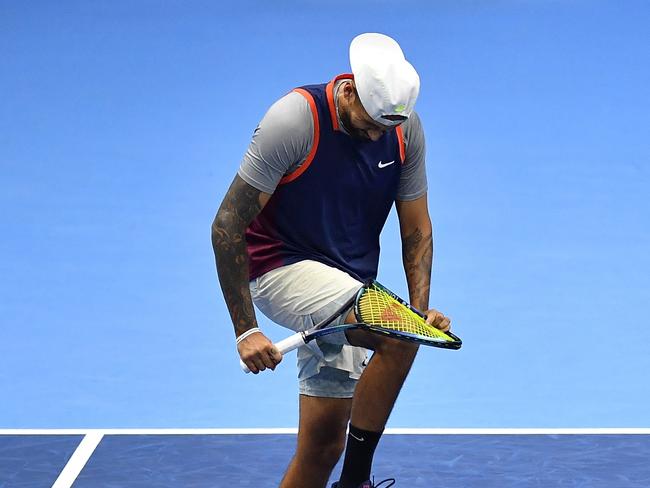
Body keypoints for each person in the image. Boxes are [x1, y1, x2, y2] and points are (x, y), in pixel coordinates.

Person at [211, 33, 451, 488]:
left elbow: (416, 226)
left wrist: (418, 307)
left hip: (352, 285)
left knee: (322, 447)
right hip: (280, 268)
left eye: (387, 126)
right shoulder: (294, 121)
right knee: (399, 337)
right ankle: (356, 483)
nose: (378, 135)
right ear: (348, 90)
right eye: (369, 125)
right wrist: (245, 329)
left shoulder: (403, 129)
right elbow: (226, 225)